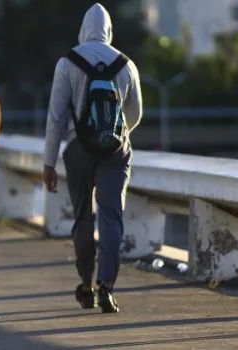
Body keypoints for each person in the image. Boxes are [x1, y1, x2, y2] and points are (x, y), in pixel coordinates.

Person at [42, 3, 142, 313]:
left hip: (78, 149)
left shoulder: (68, 62)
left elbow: (56, 116)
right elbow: (135, 114)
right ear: (109, 31)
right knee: (111, 215)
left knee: (83, 215)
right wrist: (113, 133)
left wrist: (49, 162)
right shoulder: (126, 64)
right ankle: (107, 287)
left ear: (84, 29)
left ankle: (85, 283)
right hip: (115, 150)